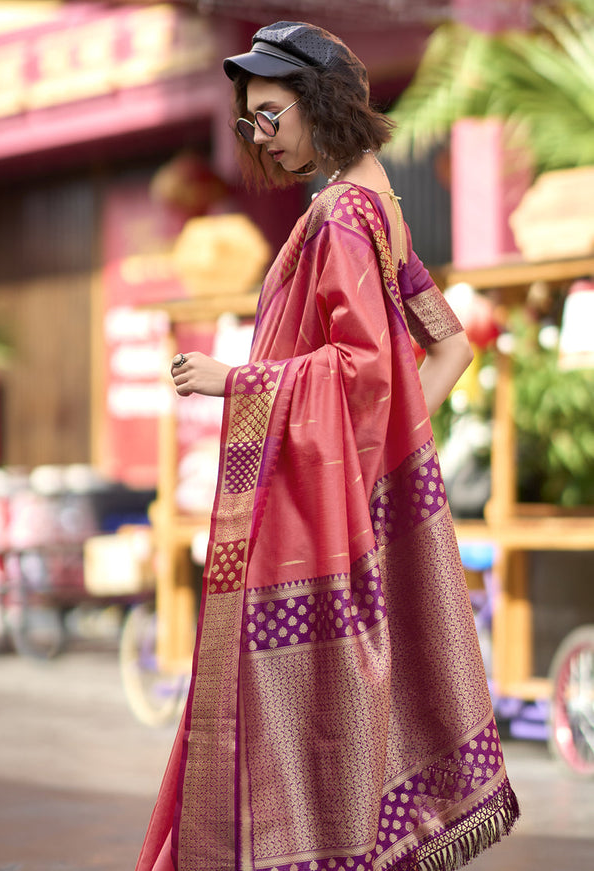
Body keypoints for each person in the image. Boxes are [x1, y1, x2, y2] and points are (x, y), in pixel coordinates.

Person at [135, 21, 519, 871]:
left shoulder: (342, 216)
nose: (259, 140)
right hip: (346, 498)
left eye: (268, 116)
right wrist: (388, 449)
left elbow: (357, 367)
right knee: (328, 718)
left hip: (307, 521)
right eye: (248, 124)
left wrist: (235, 380)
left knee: (270, 726)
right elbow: (447, 345)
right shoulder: (377, 203)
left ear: (319, 101)